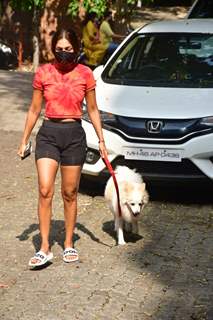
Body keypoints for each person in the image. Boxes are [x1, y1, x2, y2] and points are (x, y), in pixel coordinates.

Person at [17, 28, 107, 267]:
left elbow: (94, 110)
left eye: (68, 49)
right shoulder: (44, 72)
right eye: (59, 49)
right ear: (53, 49)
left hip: (74, 136)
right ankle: (45, 247)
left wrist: (101, 140)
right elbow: (35, 109)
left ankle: (68, 243)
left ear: (76, 49)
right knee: (45, 189)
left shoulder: (85, 74)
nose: (63, 53)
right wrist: (24, 138)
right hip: (48, 134)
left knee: (69, 193)